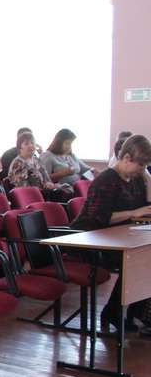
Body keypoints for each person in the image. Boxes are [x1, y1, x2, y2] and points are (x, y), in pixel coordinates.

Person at [72, 135, 151, 333]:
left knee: (145, 257)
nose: (143, 169)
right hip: (91, 240)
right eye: (141, 165)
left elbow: (145, 205)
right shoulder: (106, 180)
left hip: (117, 236)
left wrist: (147, 177)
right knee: (140, 260)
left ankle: (134, 312)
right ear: (126, 158)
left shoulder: (136, 179)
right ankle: (115, 312)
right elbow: (100, 218)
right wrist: (133, 213)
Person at [7, 132, 72, 201]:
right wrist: (44, 188)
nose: (30, 146)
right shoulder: (18, 163)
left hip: (44, 192)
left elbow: (46, 177)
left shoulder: (36, 159)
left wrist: (48, 183)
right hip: (30, 196)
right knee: (60, 194)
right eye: (26, 144)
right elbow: (23, 187)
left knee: (67, 188)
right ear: (20, 147)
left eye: (32, 143)